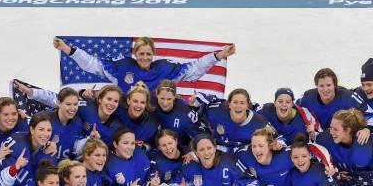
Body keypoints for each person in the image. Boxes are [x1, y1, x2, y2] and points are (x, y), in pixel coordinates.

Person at [52, 36, 236, 94]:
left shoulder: (165, 69)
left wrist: (218, 55)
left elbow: (194, 69)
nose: (145, 57)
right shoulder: (122, 67)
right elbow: (92, 64)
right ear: (135, 54)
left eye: (148, 54)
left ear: (154, 55)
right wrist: (68, 49)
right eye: (141, 54)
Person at [14, 81, 124, 146]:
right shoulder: (84, 106)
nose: (111, 103)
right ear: (99, 99)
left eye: (115, 101)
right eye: (109, 99)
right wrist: (31, 92)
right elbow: (59, 99)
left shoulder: (117, 127)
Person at [198, 88, 279, 153]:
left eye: (242, 103)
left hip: (241, 157)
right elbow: (199, 109)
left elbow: (276, 137)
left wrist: (277, 144)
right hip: (214, 152)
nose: (238, 106)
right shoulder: (216, 111)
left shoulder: (259, 122)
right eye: (235, 102)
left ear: (248, 105)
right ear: (229, 104)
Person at [316, 109, 373, 173]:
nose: (331, 132)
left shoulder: (368, 144)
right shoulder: (324, 139)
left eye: (335, 129)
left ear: (348, 130)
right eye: (331, 128)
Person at [296, 68, 370, 135]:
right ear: (316, 85)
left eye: (328, 85)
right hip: (317, 138)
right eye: (321, 86)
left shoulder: (349, 97)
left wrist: (367, 129)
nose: (325, 89)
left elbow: (369, 113)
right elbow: (293, 109)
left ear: (334, 85)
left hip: (342, 140)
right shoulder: (307, 97)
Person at [33, 88, 86, 161]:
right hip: (44, 165)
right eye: (68, 104)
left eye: (75, 104)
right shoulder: (44, 118)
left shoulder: (78, 123)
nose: (72, 108)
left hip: (65, 166)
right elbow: (30, 140)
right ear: (59, 103)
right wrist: (46, 145)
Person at [152, 79, 207, 147]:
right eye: (162, 98)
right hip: (155, 144)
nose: (165, 103)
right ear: (156, 95)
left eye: (169, 99)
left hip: (179, 149)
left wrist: (192, 152)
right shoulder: (150, 100)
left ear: (174, 96)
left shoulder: (185, 115)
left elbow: (203, 137)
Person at [114, 82, 160, 150]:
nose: (138, 106)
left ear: (146, 104)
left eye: (142, 102)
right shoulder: (118, 109)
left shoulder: (151, 125)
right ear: (128, 101)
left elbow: (152, 145)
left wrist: (143, 147)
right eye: (135, 101)